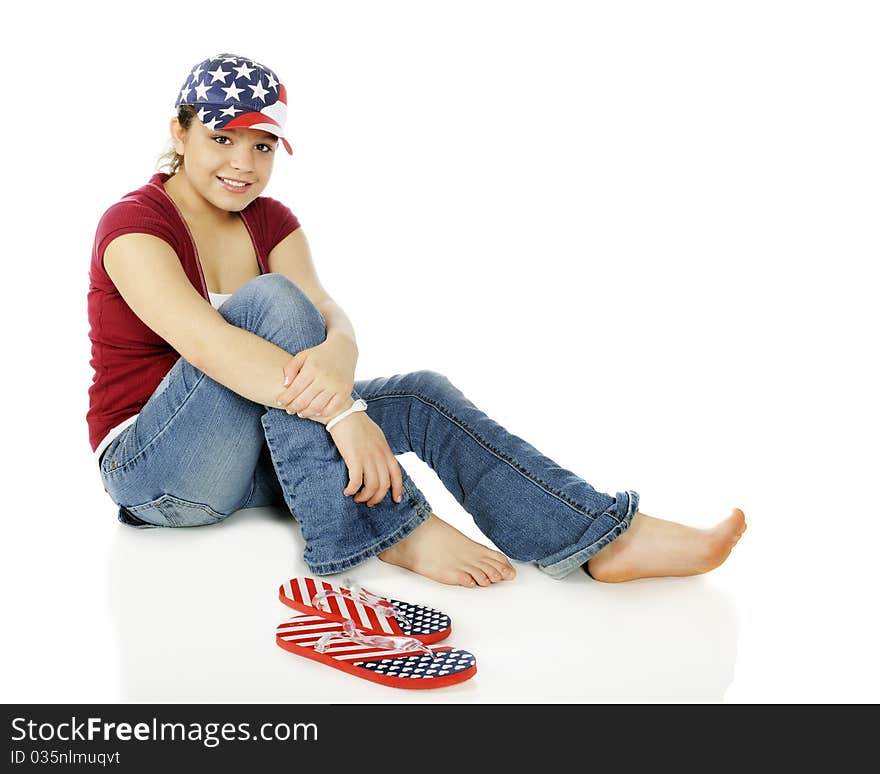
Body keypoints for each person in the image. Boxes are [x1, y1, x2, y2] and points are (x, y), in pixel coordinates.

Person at [87, 52, 746, 589]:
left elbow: (324, 311)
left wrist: (342, 347)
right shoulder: (134, 226)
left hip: (257, 456)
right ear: (179, 130)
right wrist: (344, 414)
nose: (242, 164)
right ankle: (392, 528)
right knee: (271, 302)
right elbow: (210, 345)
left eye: (262, 146)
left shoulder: (271, 221)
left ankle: (603, 537)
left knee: (420, 393)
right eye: (221, 138)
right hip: (158, 470)